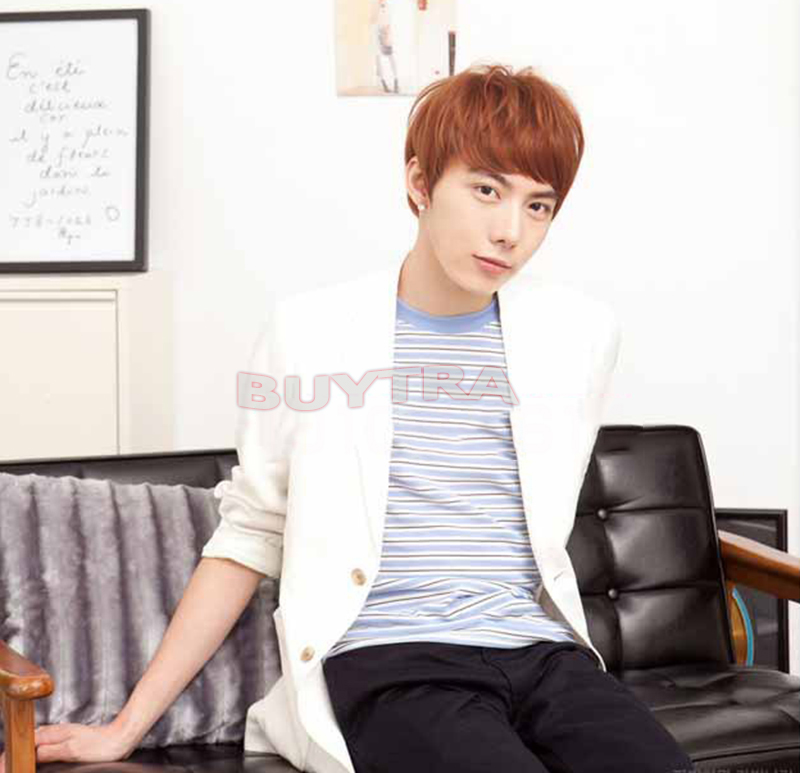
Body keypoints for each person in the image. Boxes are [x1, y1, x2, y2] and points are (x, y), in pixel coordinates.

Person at [2, 63, 697, 773]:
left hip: (542, 651)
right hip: (393, 660)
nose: (510, 231)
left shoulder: (579, 337)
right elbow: (251, 534)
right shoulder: (309, 333)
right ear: (420, 182)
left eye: (538, 205)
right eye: (486, 190)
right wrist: (124, 727)